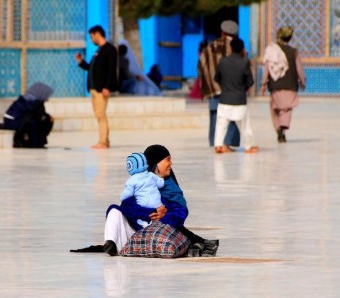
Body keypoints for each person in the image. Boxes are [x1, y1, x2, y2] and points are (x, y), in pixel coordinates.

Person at [102, 144, 219, 257]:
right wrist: (150, 212)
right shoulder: (140, 182)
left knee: (172, 230)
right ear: (156, 164)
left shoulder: (170, 186)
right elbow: (127, 206)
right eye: (168, 160)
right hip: (135, 231)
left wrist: (163, 216)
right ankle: (111, 243)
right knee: (114, 210)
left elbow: (180, 212)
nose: (171, 163)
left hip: (159, 231)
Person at [198, 20, 241, 151]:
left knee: (215, 114)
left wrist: (206, 84)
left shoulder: (209, 48)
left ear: (222, 32)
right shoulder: (238, 48)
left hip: (214, 88)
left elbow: (201, 66)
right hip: (232, 88)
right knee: (232, 115)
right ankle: (227, 143)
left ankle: (216, 143)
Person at [75, 25, 118, 149]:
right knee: (99, 114)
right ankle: (105, 141)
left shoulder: (109, 49)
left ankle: (103, 142)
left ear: (97, 34)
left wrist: (107, 87)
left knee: (101, 114)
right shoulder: (98, 50)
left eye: (92, 36)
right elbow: (92, 68)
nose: (91, 39)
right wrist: (81, 62)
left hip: (101, 89)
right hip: (94, 88)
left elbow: (111, 70)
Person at [261, 26, 306, 143]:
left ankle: (279, 130)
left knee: (275, 109)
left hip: (275, 85)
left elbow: (267, 68)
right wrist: (302, 80)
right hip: (290, 85)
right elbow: (299, 68)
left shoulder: (272, 50)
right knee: (286, 109)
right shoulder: (293, 51)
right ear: (289, 37)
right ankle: (282, 127)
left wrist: (263, 83)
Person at [214, 38, 258, 154]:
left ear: (231, 48)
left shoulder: (223, 61)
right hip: (239, 99)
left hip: (224, 99)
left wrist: (225, 85)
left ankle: (218, 145)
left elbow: (217, 78)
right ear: (242, 49)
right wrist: (242, 88)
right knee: (244, 125)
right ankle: (249, 147)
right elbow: (250, 81)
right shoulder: (244, 63)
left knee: (221, 125)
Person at [0, 82, 54, 148]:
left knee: (40, 119)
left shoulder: (28, 98)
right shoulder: (33, 102)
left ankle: (37, 141)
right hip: (13, 122)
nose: (47, 99)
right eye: (46, 95)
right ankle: (34, 142)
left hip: (11, 121)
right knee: (40, 121)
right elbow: (37, 116)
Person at [120, 152, 164, 228]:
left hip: (143, 206)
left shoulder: (131, 181)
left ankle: (143, 223)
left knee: (132, 210)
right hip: (157, 205)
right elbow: (161, 184)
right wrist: (159, 176)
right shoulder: (151, 175)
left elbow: (126, 195)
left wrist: (122, 198)